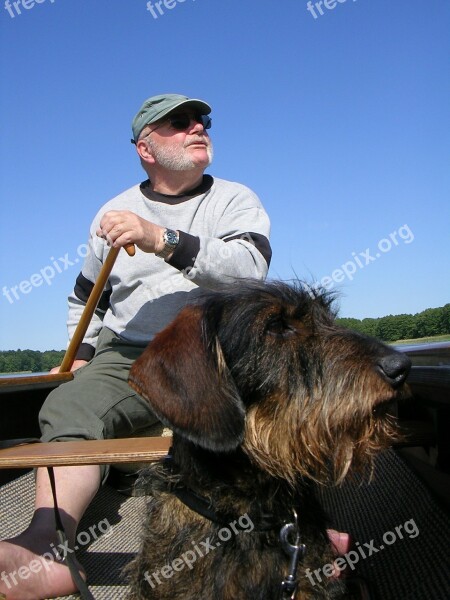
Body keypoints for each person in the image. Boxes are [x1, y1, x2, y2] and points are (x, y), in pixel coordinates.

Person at [0, 93, 350, 599]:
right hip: (132, 353)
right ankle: (47, 548)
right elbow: (88, 297)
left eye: (202, 120)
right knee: (66, 406)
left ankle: (306, 536)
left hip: (218, 352)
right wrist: (80, 355)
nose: (198, 127)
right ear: (146, 147)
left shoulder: (234, 199)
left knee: (279, 407)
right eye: (180, 123)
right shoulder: (113, 210)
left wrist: (160, 237)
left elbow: (249, 270)